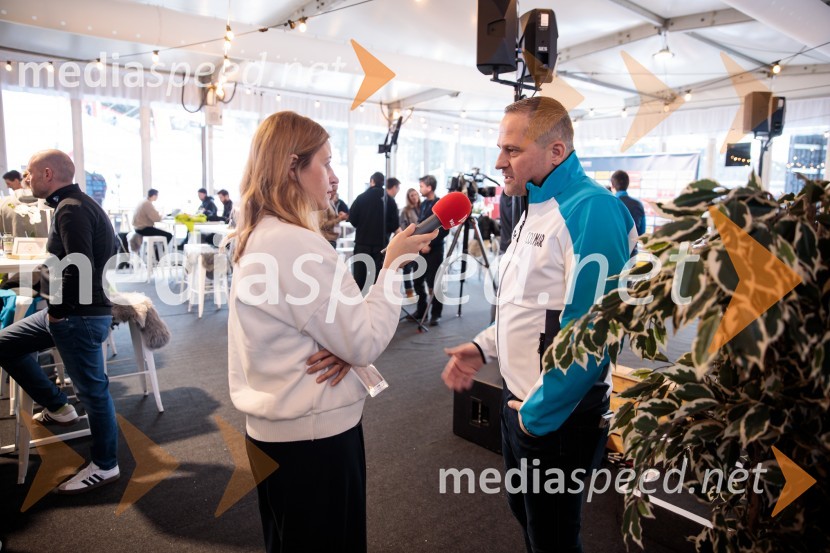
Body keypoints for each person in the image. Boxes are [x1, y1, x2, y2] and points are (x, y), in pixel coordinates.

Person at [227, 111, 436, 553]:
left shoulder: (261, 234)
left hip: (278, 431)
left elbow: (315, 326)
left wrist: (342, 339)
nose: (334, 176)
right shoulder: (295, 244)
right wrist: (393, 264)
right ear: (291, 168)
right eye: (325, 163)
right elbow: (362, 340)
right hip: (313, 439)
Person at [442, 97, 637, 552]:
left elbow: (593, 331)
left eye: (512, 149)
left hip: (556, 417)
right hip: (522, 406)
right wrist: (483, 346)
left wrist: (538, 416)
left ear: (556, 151)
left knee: (552, 536)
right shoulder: (536, 202)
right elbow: (525, 306)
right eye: (500, 148)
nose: (498, 161)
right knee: (529, 521)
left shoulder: (592, 210)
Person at [0, 149, 119, 493]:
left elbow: (79, 265)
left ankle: (106, 464)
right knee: (6, 345)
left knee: (95, 393)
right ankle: (58, 406)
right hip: (75, 312)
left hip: (78, 316)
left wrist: (58, 311)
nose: (26, 179)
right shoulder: (75, 205)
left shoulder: (71, 209)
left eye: (29, 174)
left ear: (48, 174)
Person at [348, 171, 399, 291]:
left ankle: (360, 307)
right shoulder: (389, 200)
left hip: (362, 244)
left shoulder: (361, 198)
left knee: (360, 280)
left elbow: (352, 219)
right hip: (381, 247)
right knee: (378, 282)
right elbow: (394, 225)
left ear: (372, 181)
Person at [411, 175, 448, 326]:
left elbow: (445, 229)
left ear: (429, 187)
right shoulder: (424, 204)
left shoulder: (440, 204)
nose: (419, 189)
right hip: (420, 249)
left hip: (435, 249)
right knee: (417, 280)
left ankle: (436, 314)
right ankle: (421, 311)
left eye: (421, 186)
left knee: (434, 283)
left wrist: (430, 245)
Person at [399, 187, 421, 299]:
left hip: (421, 241)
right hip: (410, 242)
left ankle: (419, 290)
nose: (414, 197)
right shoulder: (405, 210)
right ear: (408, 198)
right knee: (407, 268)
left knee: (418, 267)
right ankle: (409, 292)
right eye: (411, 195)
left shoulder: (423, 207)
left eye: (415, 194)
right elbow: (403, 227)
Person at [610, 169, 646, 235]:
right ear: (628, 184)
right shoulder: (638, 204)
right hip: (633, 244)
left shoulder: (609, 203)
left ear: (612, 185)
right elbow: (642, 232)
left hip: (614, 244)